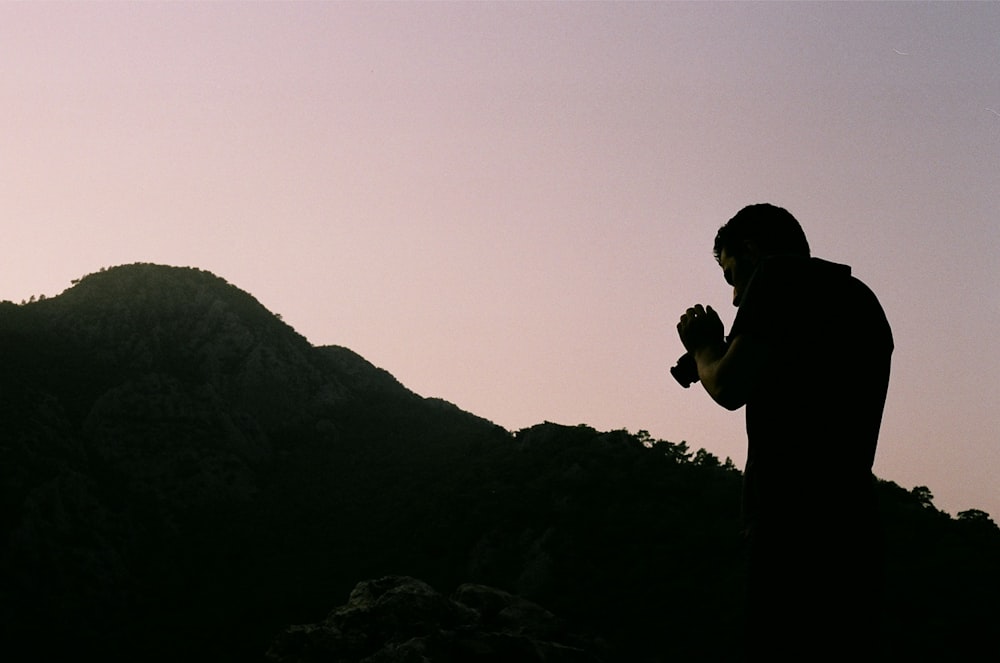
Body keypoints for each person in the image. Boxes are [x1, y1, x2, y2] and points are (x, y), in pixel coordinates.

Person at [675, 203, 893, 660]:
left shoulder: (779, 278)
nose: (735, 297)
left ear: (754, 251)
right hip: (855, 520)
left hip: (788, 521)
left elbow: (729, 386)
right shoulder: (860, 299)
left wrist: (703, 347)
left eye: (733, 275)